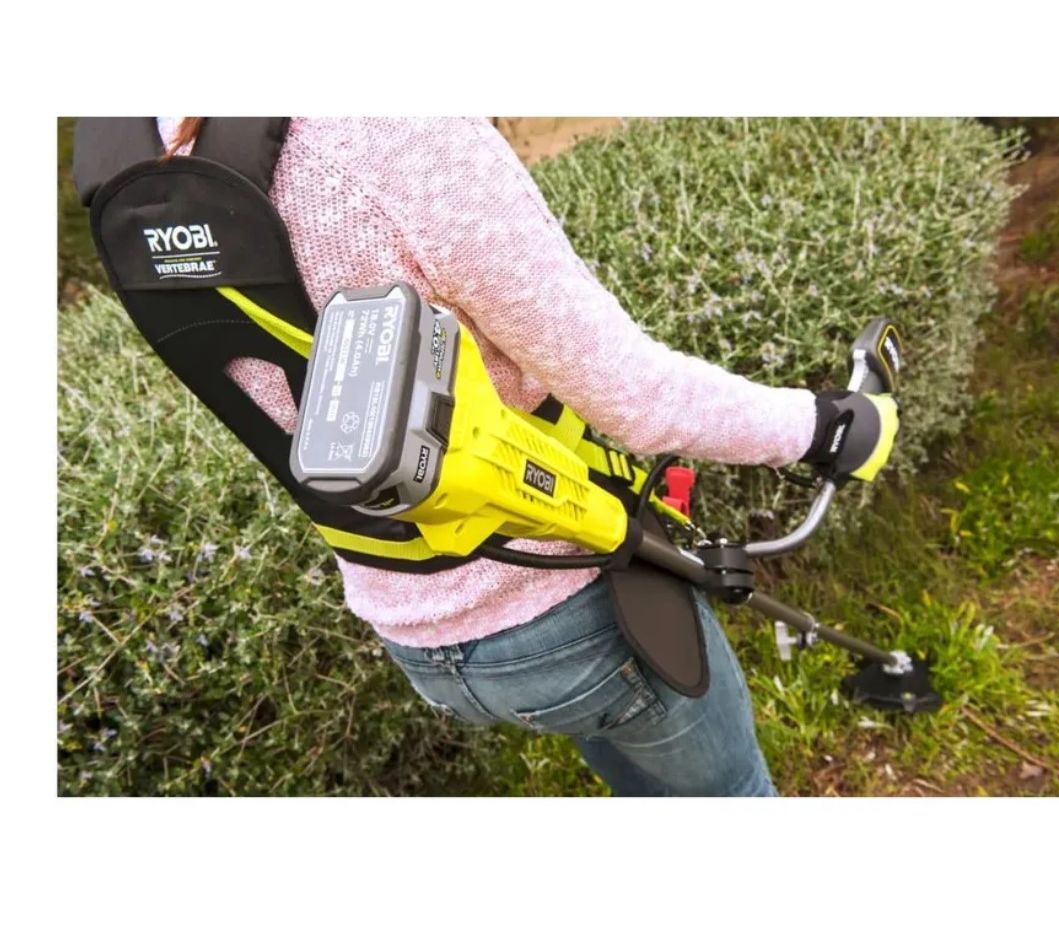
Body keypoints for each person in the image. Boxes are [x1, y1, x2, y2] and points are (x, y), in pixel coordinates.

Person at [145, 117, 886, 796]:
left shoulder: (146, 166)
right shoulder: (385, 132)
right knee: (729, 794)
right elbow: (634, 395)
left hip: (409, 629)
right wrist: (823, 429)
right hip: (574, 611)